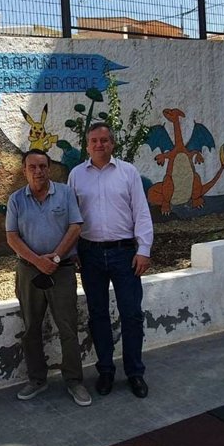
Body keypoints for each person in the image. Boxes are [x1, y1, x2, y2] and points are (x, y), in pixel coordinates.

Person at [68, 122, 154, 399]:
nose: (99, 145)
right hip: (90, 254)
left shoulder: (128, 172)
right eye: (94, 140)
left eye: (104, 140)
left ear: (112, 143)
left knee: (131, 314)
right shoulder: (76, 175)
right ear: (87, 144)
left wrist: (144, 250)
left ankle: (135, 373)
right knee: (98, 315)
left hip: (125, 254)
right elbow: (71, 217)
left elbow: (141, 212)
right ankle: (105, 370)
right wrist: (73, 252)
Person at [6, 149, 91, 407]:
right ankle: (37, 379)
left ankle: (74, 381)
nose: (38, 171)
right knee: (32, 327)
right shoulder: (16, 200)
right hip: (29, 270)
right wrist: (38, 261)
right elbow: (12, 237)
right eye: (32, 167)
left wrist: (54, 258)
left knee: (67, 326)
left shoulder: (65, 193)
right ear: (25, 171)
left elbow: (76, 226)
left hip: (61, 269)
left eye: (43, 166)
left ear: (49, 168)